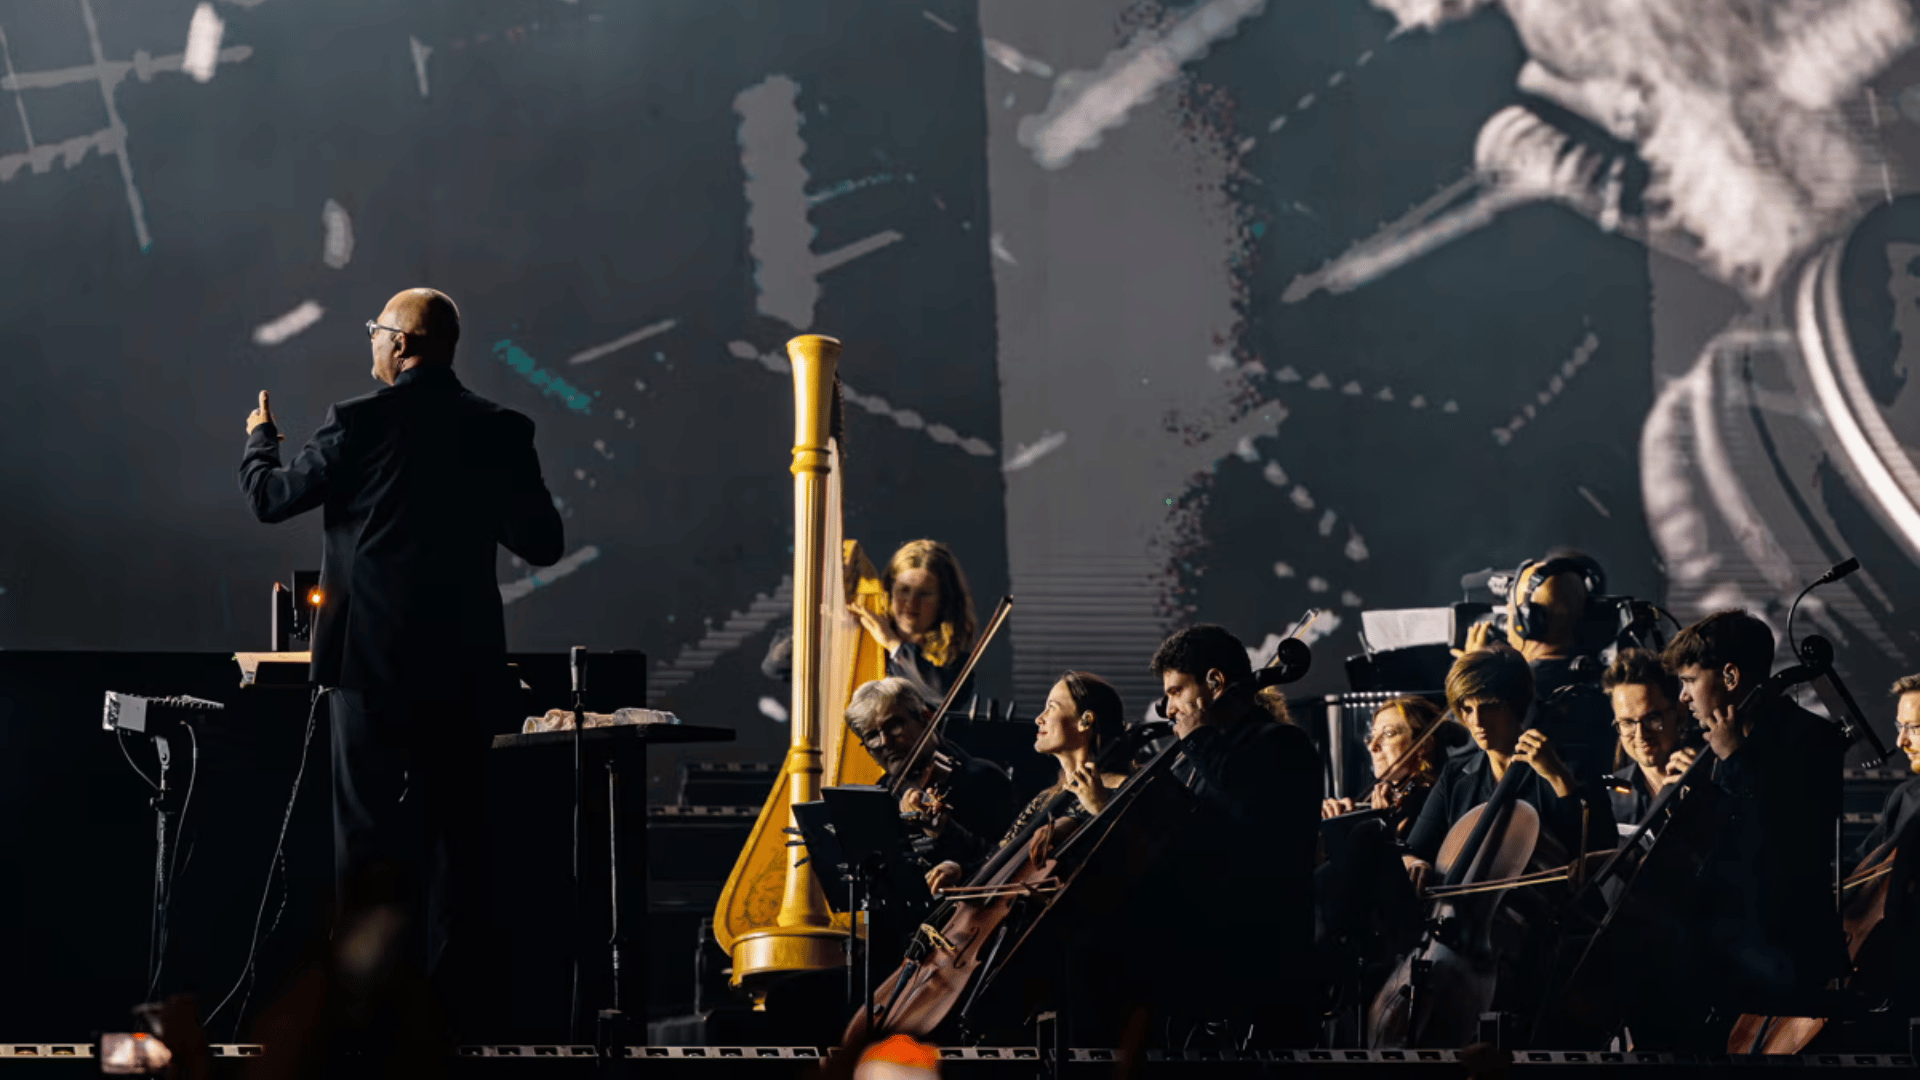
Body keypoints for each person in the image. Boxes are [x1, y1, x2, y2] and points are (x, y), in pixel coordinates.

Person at [239, 287, 564, 1039]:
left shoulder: (357, 421)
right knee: (459, 851)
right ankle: (452, 1030)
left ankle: (363, 1025)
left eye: (378, 333)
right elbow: (541, 541)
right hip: (464, 674)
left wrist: (260, 437)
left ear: (404, 345)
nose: (371, 345)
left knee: (365, 844)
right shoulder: (502, 430)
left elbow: (272, 498)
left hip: (368, 670)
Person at [1138, 624, 1322, 1048]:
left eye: (1175, 691)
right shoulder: (1198, 759)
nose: (1167, 709)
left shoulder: (1280, 745)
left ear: (1215, 683)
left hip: (1261, 970)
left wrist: (1199, 738)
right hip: (1202, 969)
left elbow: (1248, 817)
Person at [1661, 611, 1848, 1015]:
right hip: (1718, 946)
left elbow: (1783, 846)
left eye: (1690, 681)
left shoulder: (1811, 739)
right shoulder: (1710, 743)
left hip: (1778, 953)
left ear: (1729, 677)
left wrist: (1733, 759)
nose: (1682, 696)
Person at [1402, 646, 1615, 895]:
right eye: (1467, 709)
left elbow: (1601, 847)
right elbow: (1413, 849)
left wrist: (1558, 778)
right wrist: (1415, 864)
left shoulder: (1567, 765)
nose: (1477, 722)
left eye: (1490, 706)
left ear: (1517, 705)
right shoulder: (1456, 776)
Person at [923, 671, 1131, 894]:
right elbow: (1000, 857)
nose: (1039, 718)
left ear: (1085, 720)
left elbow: (1131, 859)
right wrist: (959, 868)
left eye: (1052, 707)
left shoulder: (1125, 789)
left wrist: (1102, 809)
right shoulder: (1046, 798)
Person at [1463, 554, 1615, 782]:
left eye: (1510, 613)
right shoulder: (1610, 683)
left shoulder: (1511, 692)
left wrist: (1472, 676)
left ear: (1525, 623)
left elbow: (1461, 756)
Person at [843, 677, 1014, 877]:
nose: (885, 742)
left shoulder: (983, 778)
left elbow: (1009, 863)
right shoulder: (884, 791)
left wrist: (944, 831)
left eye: (894, 726)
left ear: (927, 719)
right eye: (872, 736)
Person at [849, 540, 980, 703]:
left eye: (924, 594)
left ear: (944, 601)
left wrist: (894, 645)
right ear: (889, 591)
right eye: (904, 590)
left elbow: (942, 695)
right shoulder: (858, 638)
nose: (911, 603)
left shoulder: (957, 665)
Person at [1321, 696, 1449, 838]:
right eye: (1373, 736)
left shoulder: (1435, 801)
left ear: (1424, 745)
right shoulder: (1390, 795)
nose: (1372, 746)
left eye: (1388, 734)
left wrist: (1381, 827)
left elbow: (1403, 856)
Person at [1601, 649, 1686, 828]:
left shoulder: (1712, 775)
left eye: (1652, 719)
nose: (1641, 735)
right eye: (1627, 723)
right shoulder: (1610, 794)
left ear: (1680, 714)